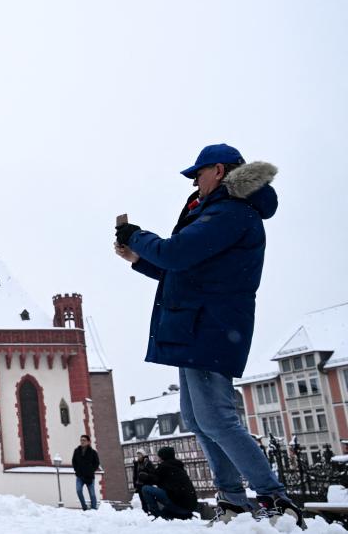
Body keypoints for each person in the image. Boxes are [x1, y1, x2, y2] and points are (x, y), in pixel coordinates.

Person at [114, 145, 301, 525]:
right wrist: (139, 260)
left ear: (218, 170)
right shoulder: (219, 211)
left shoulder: (231, 212)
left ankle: (272, 496)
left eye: (197, 174)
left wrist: (136, 236)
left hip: (211, 327)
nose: (194, 182)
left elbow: (177, 253)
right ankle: (232, 499)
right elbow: (181, 270)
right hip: (195, 326)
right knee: (198, 420)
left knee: (216, 419)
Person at [138, 446, 197, 520]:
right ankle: (180, 515)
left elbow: (154, 478)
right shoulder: (178, 467)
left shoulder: (164, 466)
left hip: (179, 506)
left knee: (146, 489)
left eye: (159, 456)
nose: (158, 458)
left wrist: (144, 476)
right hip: (189, 507)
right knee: (165, 510)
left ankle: (156, 515)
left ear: (163, 456)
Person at [71, 434, 101, 510]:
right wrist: (76, 470)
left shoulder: (93, 452)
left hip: (89, 476)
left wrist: (91, 470)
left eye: (84, 440)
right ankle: (84, 507)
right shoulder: (77, 451)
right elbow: (74, 461)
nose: (82, 442)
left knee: (92, 494)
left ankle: (94, 509)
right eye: (81, 440)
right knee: (78, 490)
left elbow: (96, 463)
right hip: (79, 476)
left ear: (88, 442)